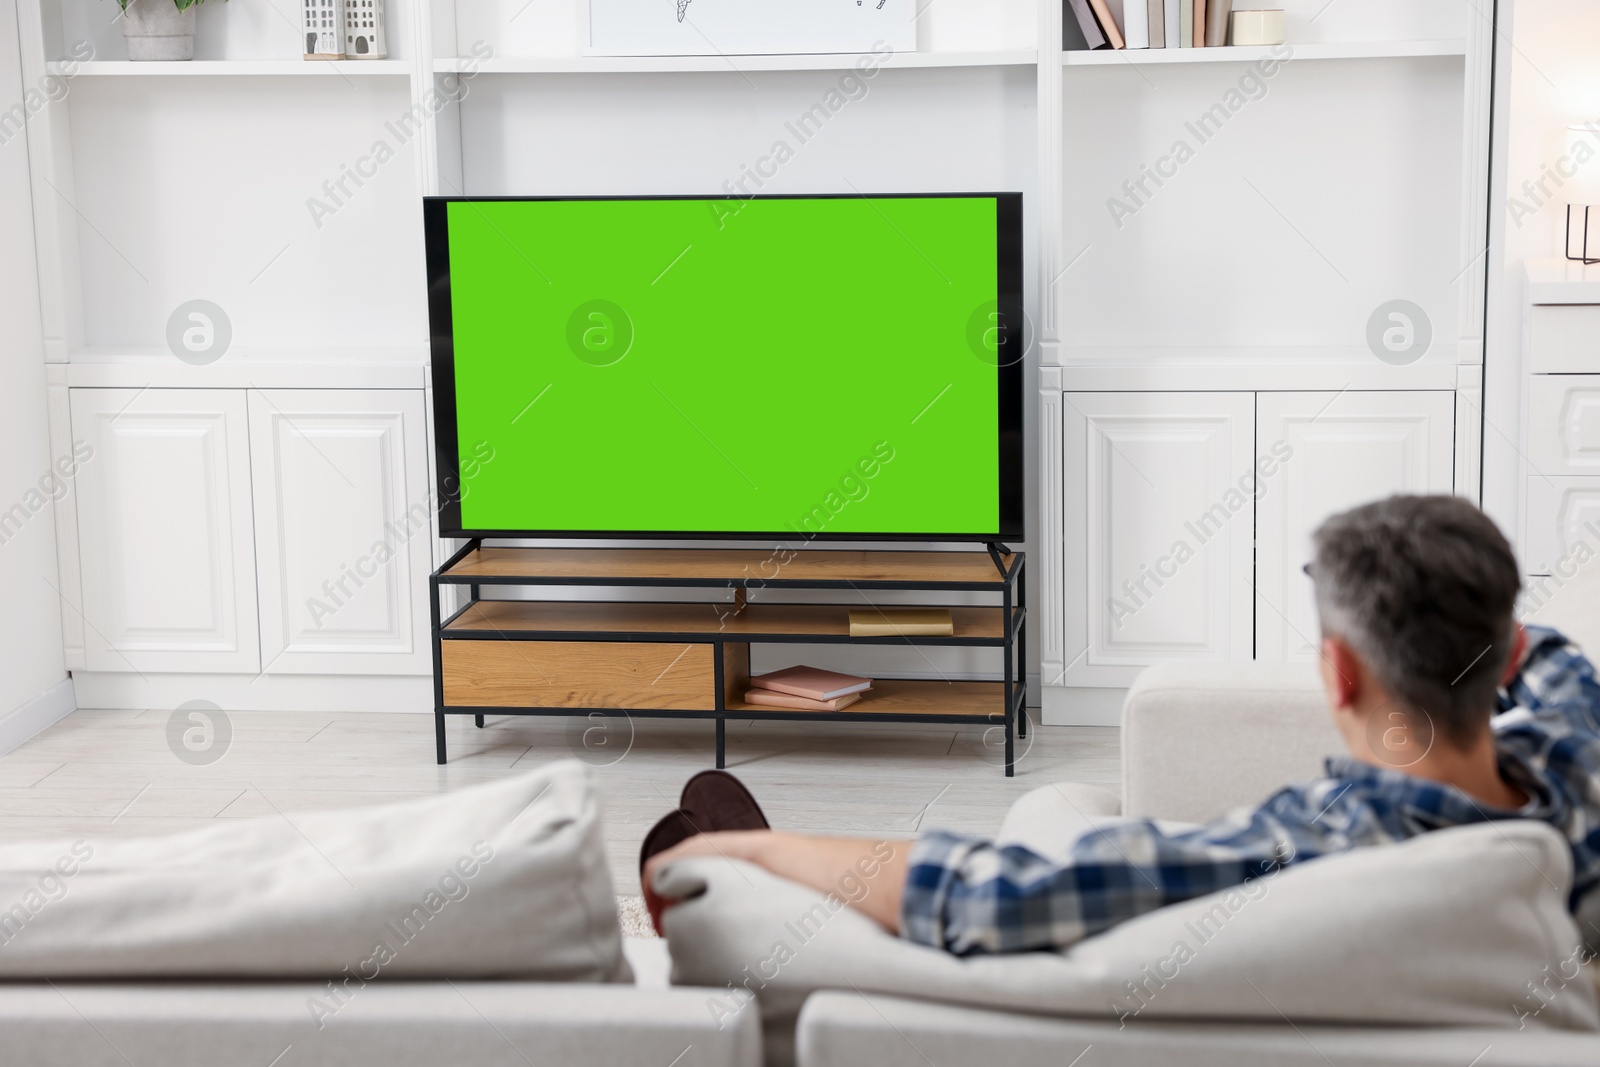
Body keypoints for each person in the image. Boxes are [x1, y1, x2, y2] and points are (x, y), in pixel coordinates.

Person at [643, 495, 1600, 955]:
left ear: (1337, 670)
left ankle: (742, 869)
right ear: (1507, 656)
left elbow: (990, 895)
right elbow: (1557, 666)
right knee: (1062, 811)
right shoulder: (1575, 758)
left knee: (1048, 832)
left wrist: (756, 850)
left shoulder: (1297, 852)